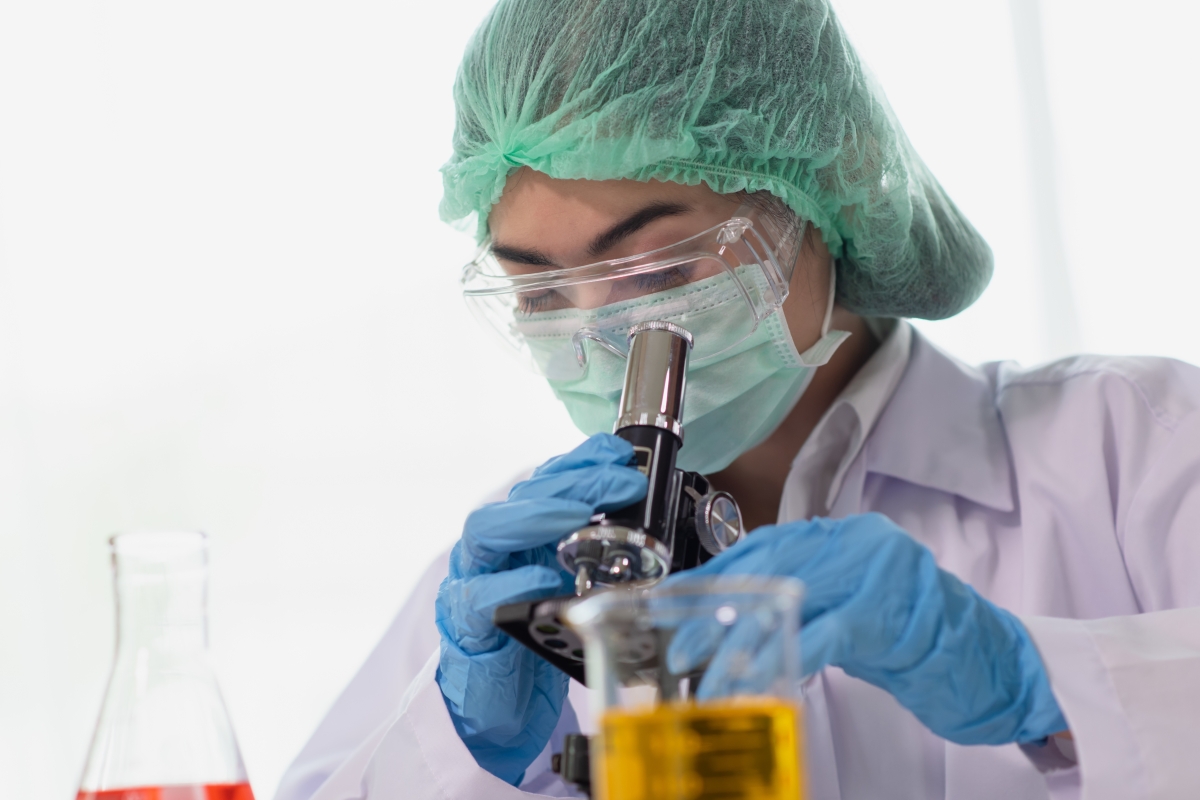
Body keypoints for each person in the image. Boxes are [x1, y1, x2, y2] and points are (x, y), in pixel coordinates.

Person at [276, 0, 1200, 798]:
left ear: (821, 196)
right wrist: (458, 751)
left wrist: (1049, 687)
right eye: (542, 293)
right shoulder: (517, 572)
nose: (600, 337)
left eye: (659, 266)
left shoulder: (1133, 448)